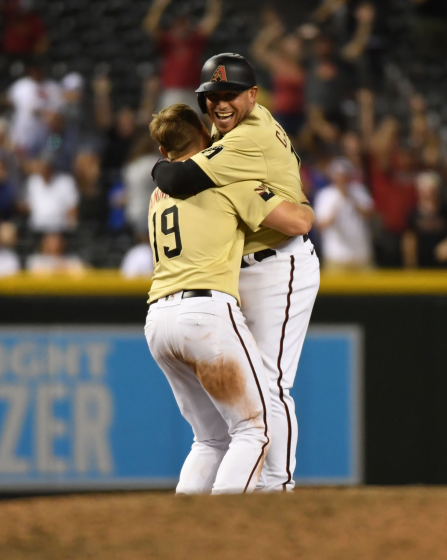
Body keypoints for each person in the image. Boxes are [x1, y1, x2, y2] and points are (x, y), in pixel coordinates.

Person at [152, 54, 320, 492]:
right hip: (233, 277)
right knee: (241, 412)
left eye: (230, 95)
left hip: (277, 263)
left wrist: (159, 161)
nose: (220, 104)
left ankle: (275, 488)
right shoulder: (245, 130)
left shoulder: (242, 143)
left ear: (253, 95)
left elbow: (177, 177)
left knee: (268, 386)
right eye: (212, 97)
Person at [143, 0, 222, 111]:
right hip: (171, 92)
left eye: (184, 24)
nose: (182, 28)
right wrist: (159, 6)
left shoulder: (195, 40)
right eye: (179, 25)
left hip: (192, 91)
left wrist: (214, 3)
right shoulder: (168, 41)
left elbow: (212, 19)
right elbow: (149, 26)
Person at [314, 157, 374, 269]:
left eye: (345, 175)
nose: (342, 179)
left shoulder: (359, 191)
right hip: (336, 256)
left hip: (361, 255)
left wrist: (351, 198)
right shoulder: (326, 195)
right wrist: (337, 205)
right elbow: (321, 225)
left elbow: (369, 215)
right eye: (339, 175)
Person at [23, 151, 78, 233]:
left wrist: (72, 227)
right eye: (41, 165)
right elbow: (27, 206)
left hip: (59, 228)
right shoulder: (32, 182)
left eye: (46, 165)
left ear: (52, 167)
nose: (43, 168)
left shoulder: (66, 181)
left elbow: (73, 207)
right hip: (36, 229)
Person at [402, 171, 447, 269]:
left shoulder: (444, 211)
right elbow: (409, 240)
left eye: (431, 190)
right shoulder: (413, 214)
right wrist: (410, 265)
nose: (428, 194)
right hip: (422, 267)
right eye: (424, 190)